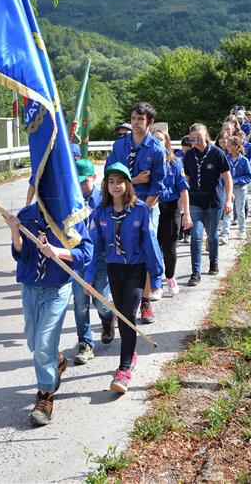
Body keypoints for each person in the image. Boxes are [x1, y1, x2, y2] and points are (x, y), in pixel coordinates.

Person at [4, 198, 92, 425]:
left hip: (57, 287)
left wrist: (59, 252)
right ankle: (58, 361)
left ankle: (44, 396)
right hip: (30, 286)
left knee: (44, 343)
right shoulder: (27, 215)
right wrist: (15, 233)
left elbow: (86, 252)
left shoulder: (69, 217)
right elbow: (21, 255)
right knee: (34, 342)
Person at [87, 163, 162, 393]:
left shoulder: (140, 209)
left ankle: (124, 369)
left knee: (128, 315)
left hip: (136, 268)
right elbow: (94, 246)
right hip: (114, 268)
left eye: (120, 181)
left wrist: (156, 276)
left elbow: (150, 243)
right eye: (111, 181)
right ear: (105, 185)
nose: (116, 186)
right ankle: (132, 352)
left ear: (128, 184)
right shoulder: (100, 212)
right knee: (121, 315)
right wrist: (89, 276)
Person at [105, 101, 166, 322]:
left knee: (145, 252)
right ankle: (120, 301)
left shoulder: (157, 149)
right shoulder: (120, 146)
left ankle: (146, 302)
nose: (136, 123)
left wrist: (140, 210)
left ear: (149, 122)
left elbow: (157, 186)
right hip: (119, 205)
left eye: (140, 119)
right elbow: (109, 173)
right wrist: (135, 179)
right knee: (118, 251)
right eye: (133, 118)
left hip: (146, 206)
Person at [71, 159, 116, 365]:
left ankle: (108, 318)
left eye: (84, 182)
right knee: (80, 305)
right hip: (79, 260)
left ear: (94, 178)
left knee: (100, 300)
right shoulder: (72, 202)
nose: (80, 186)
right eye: (76, 182)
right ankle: (85, 343)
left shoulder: (104, 201)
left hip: (100, 259)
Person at [183, 124, 233, 286]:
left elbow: (227, 178)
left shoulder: (217, 153)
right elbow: (187, 180)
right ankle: (195, 273)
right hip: (195, 201)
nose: (196, 141)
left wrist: (227, 200)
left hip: (214, 201)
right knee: (196, 236)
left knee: (212, 236)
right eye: (193, 138)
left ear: (205, 136)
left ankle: (213, 261)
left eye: (199, 137)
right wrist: (182, 202)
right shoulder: (189, 155)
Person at [151, 128, 191, 297]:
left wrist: (186, 214)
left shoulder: (175, 163)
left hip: (170, 209)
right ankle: (155, 283)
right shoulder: (146, 162)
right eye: (154, 139)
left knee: (170, 247)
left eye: (161, 139)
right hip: (152, 209)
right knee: (153, 248)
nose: (158, 142)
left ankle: (170, 277)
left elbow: (182, 189)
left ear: (166, 142)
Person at [226, 136, 251, 240]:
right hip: (228, 188)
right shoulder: (226, 159)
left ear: (235, 146)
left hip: (240, 188)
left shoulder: (244, 160)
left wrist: (236, 180)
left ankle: (242, 230)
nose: (227, 147)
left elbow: (250, 176)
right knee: (227, 210)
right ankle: (225, 233)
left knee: (240, 210)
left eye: (229, 145)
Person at [215, 130, 232, 246]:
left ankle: (225, 234)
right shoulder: (216, 153)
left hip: (231, 184)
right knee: (220, 210)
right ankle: (220, 230)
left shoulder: (232, 153)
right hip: (219, 185)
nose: (223, 145)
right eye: (220, 142)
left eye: (224, 142)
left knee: (228, 210)